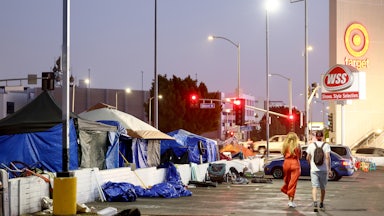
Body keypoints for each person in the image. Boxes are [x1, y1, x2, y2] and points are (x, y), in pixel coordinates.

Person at [306, 130, 332, 212]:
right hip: (323, 169)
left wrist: (310, 165)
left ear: (316, 137)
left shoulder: (311, 145)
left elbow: (307, 157)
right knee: (323, 187)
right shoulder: (326, 145)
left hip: (314, 169)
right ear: (322, 137)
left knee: (314, 187)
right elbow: (327, 157)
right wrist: (329, 169)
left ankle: (315, 202)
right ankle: (321, 202)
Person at [280, 132, 301, 208]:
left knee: (288, 181)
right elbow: (300, 155)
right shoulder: (297, 145)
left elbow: (283, 154)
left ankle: (289, 199)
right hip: (295, 164)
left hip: (286, 163)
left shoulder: (285, 145)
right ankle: (291, 201)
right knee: (293, 183)